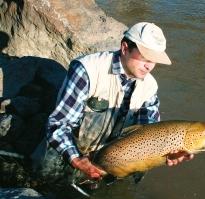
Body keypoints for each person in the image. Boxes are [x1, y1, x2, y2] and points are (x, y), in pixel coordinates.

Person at [31, 22, 193, 185]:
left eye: (154, 60)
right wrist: (77, 159)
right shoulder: (87, 69)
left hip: (112, 161)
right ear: (124, 48)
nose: (149, 66)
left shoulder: (150, 86)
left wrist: (166, 151)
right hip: (70, 152)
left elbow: (149, 130)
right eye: (145, 58)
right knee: (45, 181)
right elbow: (59, 124)